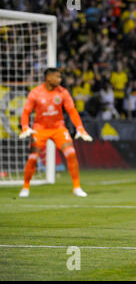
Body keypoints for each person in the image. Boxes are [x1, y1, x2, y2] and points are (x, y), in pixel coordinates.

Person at [18, 68, 93, 198]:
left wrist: (80, 128)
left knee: (71, 153)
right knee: (33, 157)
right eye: (57, 77)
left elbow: (72, 111)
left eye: (60, 77)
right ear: (48, 78)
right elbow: (26, 112)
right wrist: (25, 126)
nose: (60, 79)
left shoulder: (63, 92)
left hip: (58, 128)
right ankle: (25, 187)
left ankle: (76, 187)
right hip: (40, 129)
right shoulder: (35, 93)